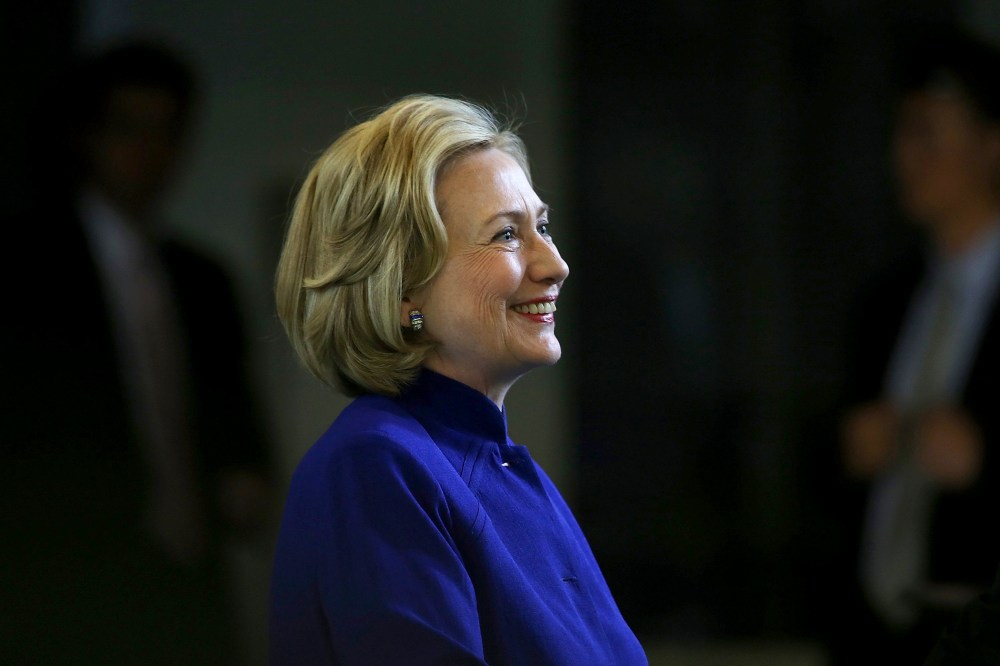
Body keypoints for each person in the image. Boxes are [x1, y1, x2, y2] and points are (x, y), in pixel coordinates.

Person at [267, 93, 648, 665]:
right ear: (401, 290)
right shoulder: (376, 466)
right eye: (506, 235)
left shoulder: (504, 471)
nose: (555, 264)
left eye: (542, 225)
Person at [1, 39, 273, 664]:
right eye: (128, 129)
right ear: (87, 137)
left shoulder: (200, 279)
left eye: (165, 132)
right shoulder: (22, 268)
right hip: (65, 578)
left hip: (188, 578)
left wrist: (243, 479)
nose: (149, 153)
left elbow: (231, 412)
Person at [830, 26, 1000, 664]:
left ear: (991, 144)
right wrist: (851, 450)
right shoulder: (886, 301)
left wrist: (984, 461)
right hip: (875, 635)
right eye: (902, 132)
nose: (906, 155)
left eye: (929, 132)